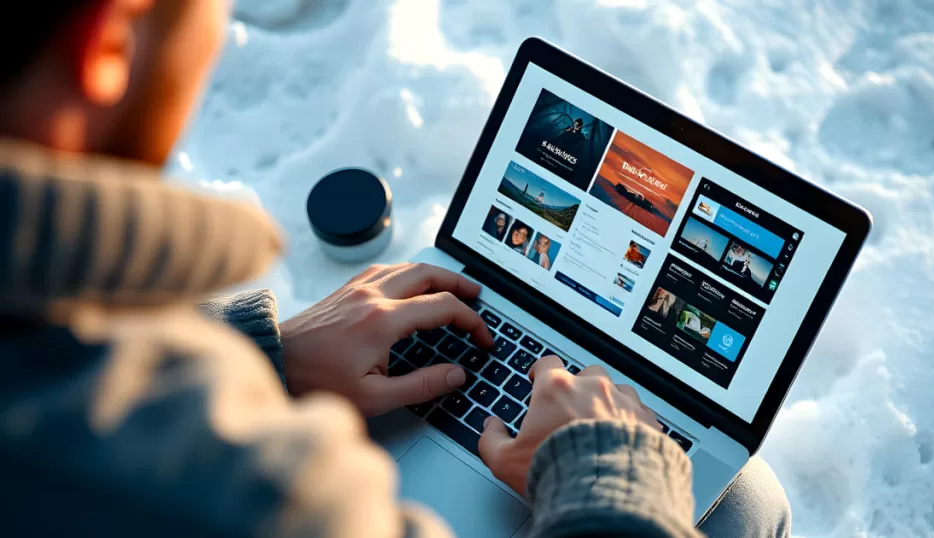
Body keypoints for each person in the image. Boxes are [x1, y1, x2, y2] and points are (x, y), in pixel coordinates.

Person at [0, 2, 791, 537]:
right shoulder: (263, 494)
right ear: (107, 40)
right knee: (745, 504)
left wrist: (260, 356)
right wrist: (608, 476)